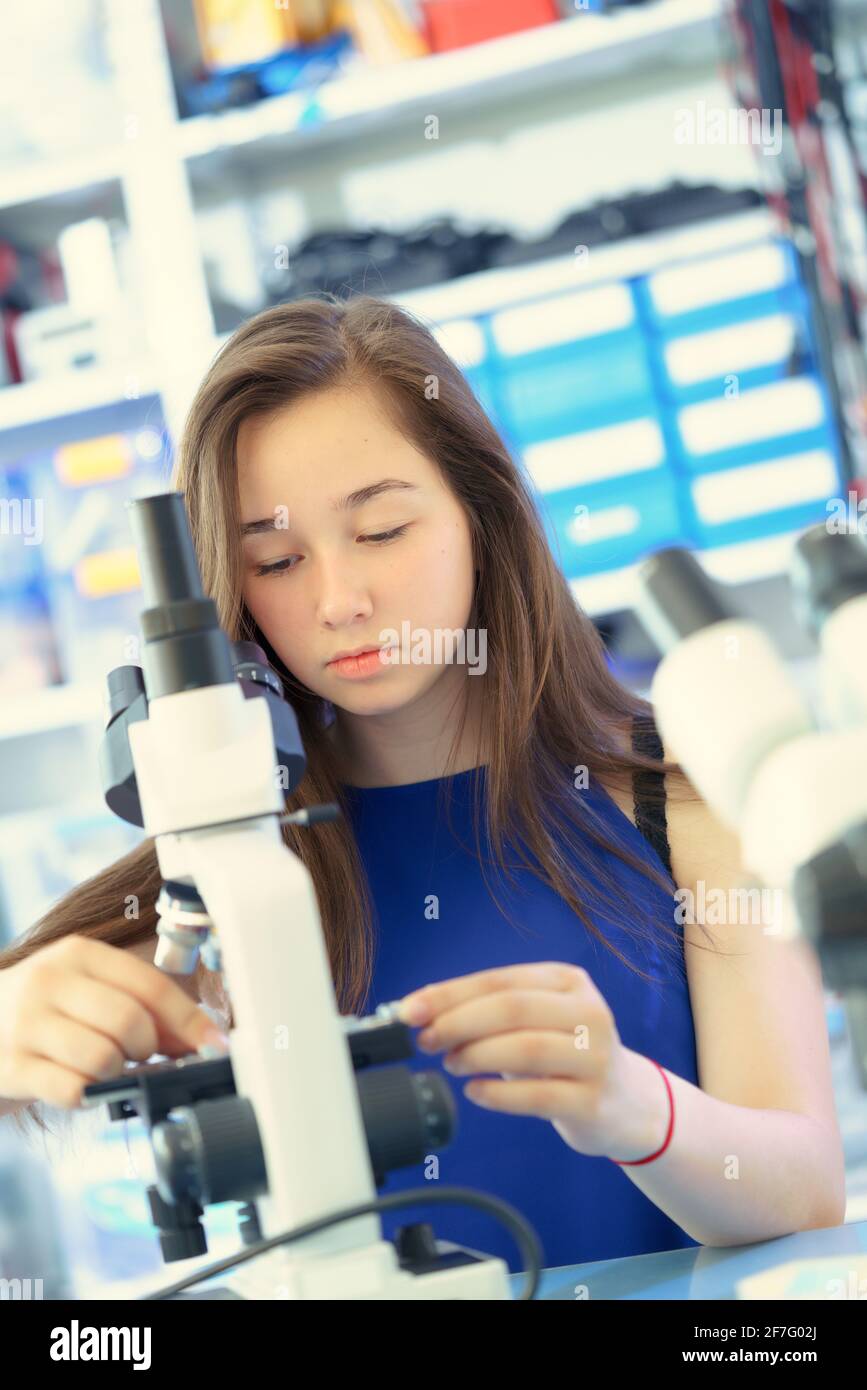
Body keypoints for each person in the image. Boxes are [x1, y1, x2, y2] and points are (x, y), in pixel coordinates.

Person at [0, 294, 845, 1275]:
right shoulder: (229, 869)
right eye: (276, 559)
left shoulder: (682, 793)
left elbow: (804, 1181)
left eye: (384, 529)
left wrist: (631, 1104)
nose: (339, 599)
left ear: (480, 512)